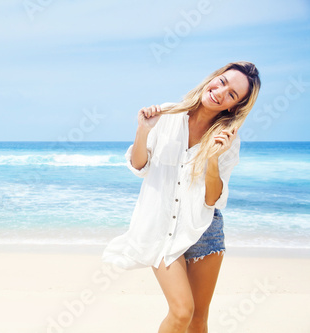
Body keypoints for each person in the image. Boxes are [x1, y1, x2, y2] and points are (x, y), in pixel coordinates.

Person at [102, 61, 261, 332]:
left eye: (232, 94)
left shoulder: (227, 139)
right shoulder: (165, 114)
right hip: (160, 231)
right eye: (222, 82)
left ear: (233, 107)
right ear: (213, 78)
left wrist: (212, 159)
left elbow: (212, 200)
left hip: (204, 231)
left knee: (198, 319)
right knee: (181, 311)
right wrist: (143, 130)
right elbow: (140, 167)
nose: (221, 92)